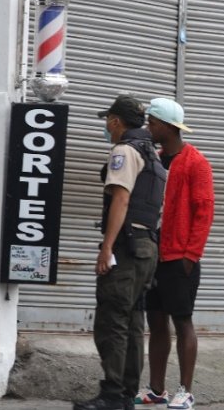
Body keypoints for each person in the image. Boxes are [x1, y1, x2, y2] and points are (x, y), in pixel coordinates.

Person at [77, 95, 167, 410]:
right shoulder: (153, 156)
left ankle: (112, 394)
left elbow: (121, 200)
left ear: (116, 121)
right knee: (131, 321)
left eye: (108, 120)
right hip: (146, 247)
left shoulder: (125, 151)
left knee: (112, 320)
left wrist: (106, 248)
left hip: (126, 248)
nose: (106, 127)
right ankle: (125, 395)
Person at [136, 99, 214, 410]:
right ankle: (157, 389)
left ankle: (185, 390)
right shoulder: (155, 159)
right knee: (156, 322)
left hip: (180, 257)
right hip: (153, 255)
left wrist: (190, 254)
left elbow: (204, 211)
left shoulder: (195, 162)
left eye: (152, 123)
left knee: (182, 322)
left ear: (168, 126)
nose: (148, 128)